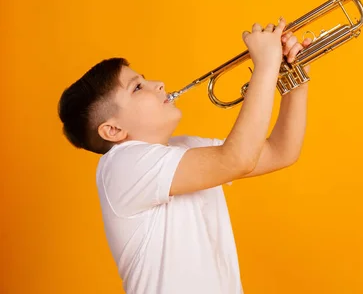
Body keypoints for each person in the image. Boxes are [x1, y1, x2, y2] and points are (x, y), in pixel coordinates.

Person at [57, 17, 313, 294]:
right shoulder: (119, 165)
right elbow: (237, 159)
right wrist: (264, 66)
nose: (159, 84)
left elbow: (281, 152)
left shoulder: (186, 149)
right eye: (137, 87)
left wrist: (293, 78)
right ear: (113, 129)